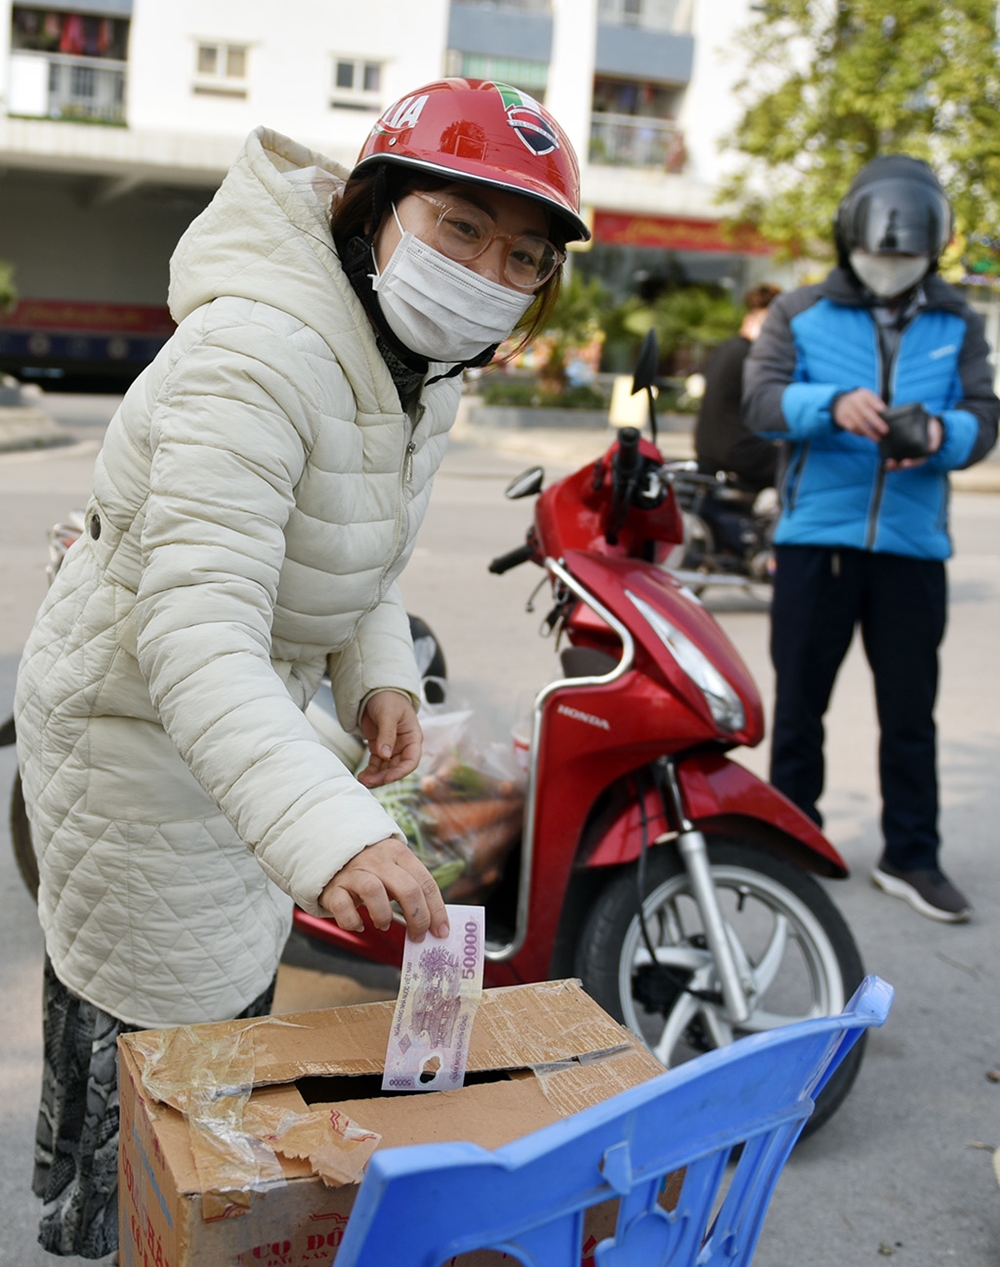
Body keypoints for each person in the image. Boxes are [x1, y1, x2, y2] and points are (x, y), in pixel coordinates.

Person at [12, 78, 589, 1258]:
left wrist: (377, 673)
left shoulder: (411, 368)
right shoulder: (259, 354)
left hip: (232, 730)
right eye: (458, 227)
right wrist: (337, 835)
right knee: (168, 1056)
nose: (486, 269)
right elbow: (197, 633)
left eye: (523, 254)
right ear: (374, 210)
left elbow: (355, 553)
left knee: (227, 1022)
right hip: (133, 735)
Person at [743, 154, 999, 924]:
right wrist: (829, 406)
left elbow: (986, 417)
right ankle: (794, 839)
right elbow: (759, 400)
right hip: (815, 539)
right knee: (801, 707)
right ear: (851, 239)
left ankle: (911, 855)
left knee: (910, 710)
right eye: (881, 252)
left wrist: (941, 434)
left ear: (933, 250)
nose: (892, 267)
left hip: (913, 549)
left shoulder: (960, 321)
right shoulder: (800, 311)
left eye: (908, 256)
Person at [694, 282, 782, 490]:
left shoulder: (725, 348)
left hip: (706, 447)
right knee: (801, 465)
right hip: (739, 452)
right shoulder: (753, 356)